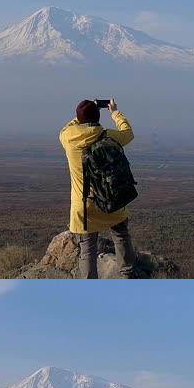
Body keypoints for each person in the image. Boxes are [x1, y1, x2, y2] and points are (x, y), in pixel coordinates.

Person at [59, 98, 137, 278]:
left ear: (78, 119)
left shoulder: (68, 138)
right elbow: (128, 133)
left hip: (85, 206)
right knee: (121, 235)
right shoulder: (108, 135)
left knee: (87, 249)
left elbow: (66, 128)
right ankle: (127, 275)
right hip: (112, 199)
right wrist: (115, 112)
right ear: (97, 117)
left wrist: (81, 115)